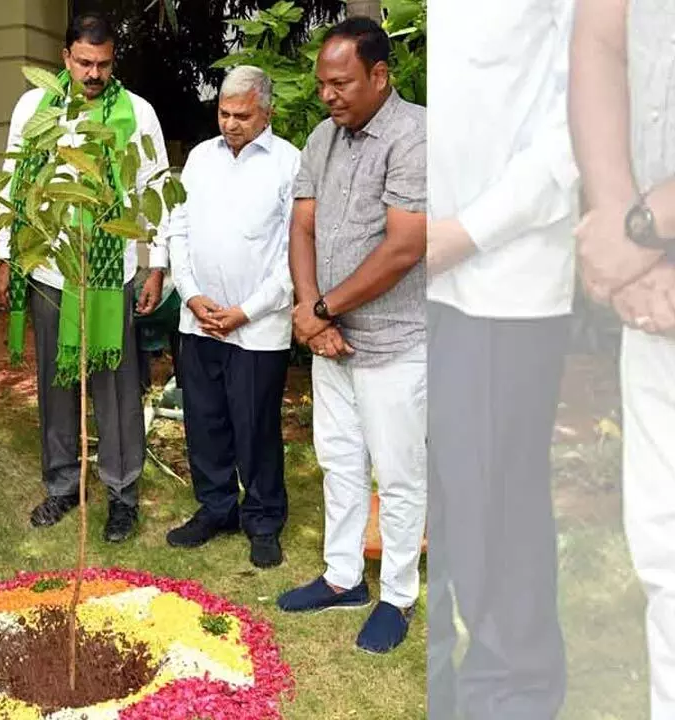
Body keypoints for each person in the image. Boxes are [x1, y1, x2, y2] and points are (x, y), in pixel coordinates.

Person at [425, 1, 580, 716]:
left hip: (501, 285)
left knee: (497, 514)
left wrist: (464, 234)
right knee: (447, 507)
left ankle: (512, 692)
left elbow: (577, 125)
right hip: (425, 282)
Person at [275, 17, 427, 655]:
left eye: (341, 83)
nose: (328, 95)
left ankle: (395, 594)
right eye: (322, 84)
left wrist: (322, 309)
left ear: (379, 76)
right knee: (339, 462)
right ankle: (343, 579)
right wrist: (312, 312)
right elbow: (302, 227)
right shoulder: (322, 136)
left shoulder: (415, 136)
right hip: (329, 341)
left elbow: (405, 248)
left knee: (396, 475)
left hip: (394, 341)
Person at [0, 13, 171, 543]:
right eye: (84, 62)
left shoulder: (136, 113)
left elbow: (155, 188)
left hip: (112, 271)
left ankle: (121, 494)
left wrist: (155, 265)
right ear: (65, 56)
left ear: (114, 60)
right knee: (56, 384)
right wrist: (7, 255)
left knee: (117, 389)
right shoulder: (35, 106)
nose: (93, 74)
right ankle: (63, 486)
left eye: (104, 64)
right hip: (51, 267)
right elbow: (13, 178)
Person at [570, 0, 675, 715]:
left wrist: (643, 228)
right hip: (657, 296)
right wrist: (624, 236)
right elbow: (601, 43)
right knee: (667, 559)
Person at [165, 66, 299, 569]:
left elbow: (295, 253)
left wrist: (245, 311)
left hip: (258, 326)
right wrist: (192, 294)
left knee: (256, 426)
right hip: (199, 319)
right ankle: (216, 507)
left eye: (242, 115)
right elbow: (177, 226)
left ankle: (263, 518)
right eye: (224, 113)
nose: (231, 124)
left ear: (267, 113)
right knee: (205, 421)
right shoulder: (200, 158)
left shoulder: (290, 164)